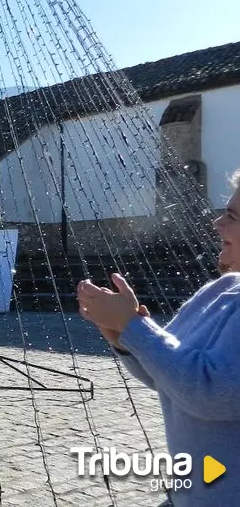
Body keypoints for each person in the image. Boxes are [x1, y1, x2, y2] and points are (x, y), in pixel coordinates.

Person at [76, 170, 240, 506]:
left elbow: (211, 391)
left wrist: (136, 330)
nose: (217, 224)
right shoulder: (223, 289)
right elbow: (169, 374)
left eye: (233, 216)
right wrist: (125, 337)